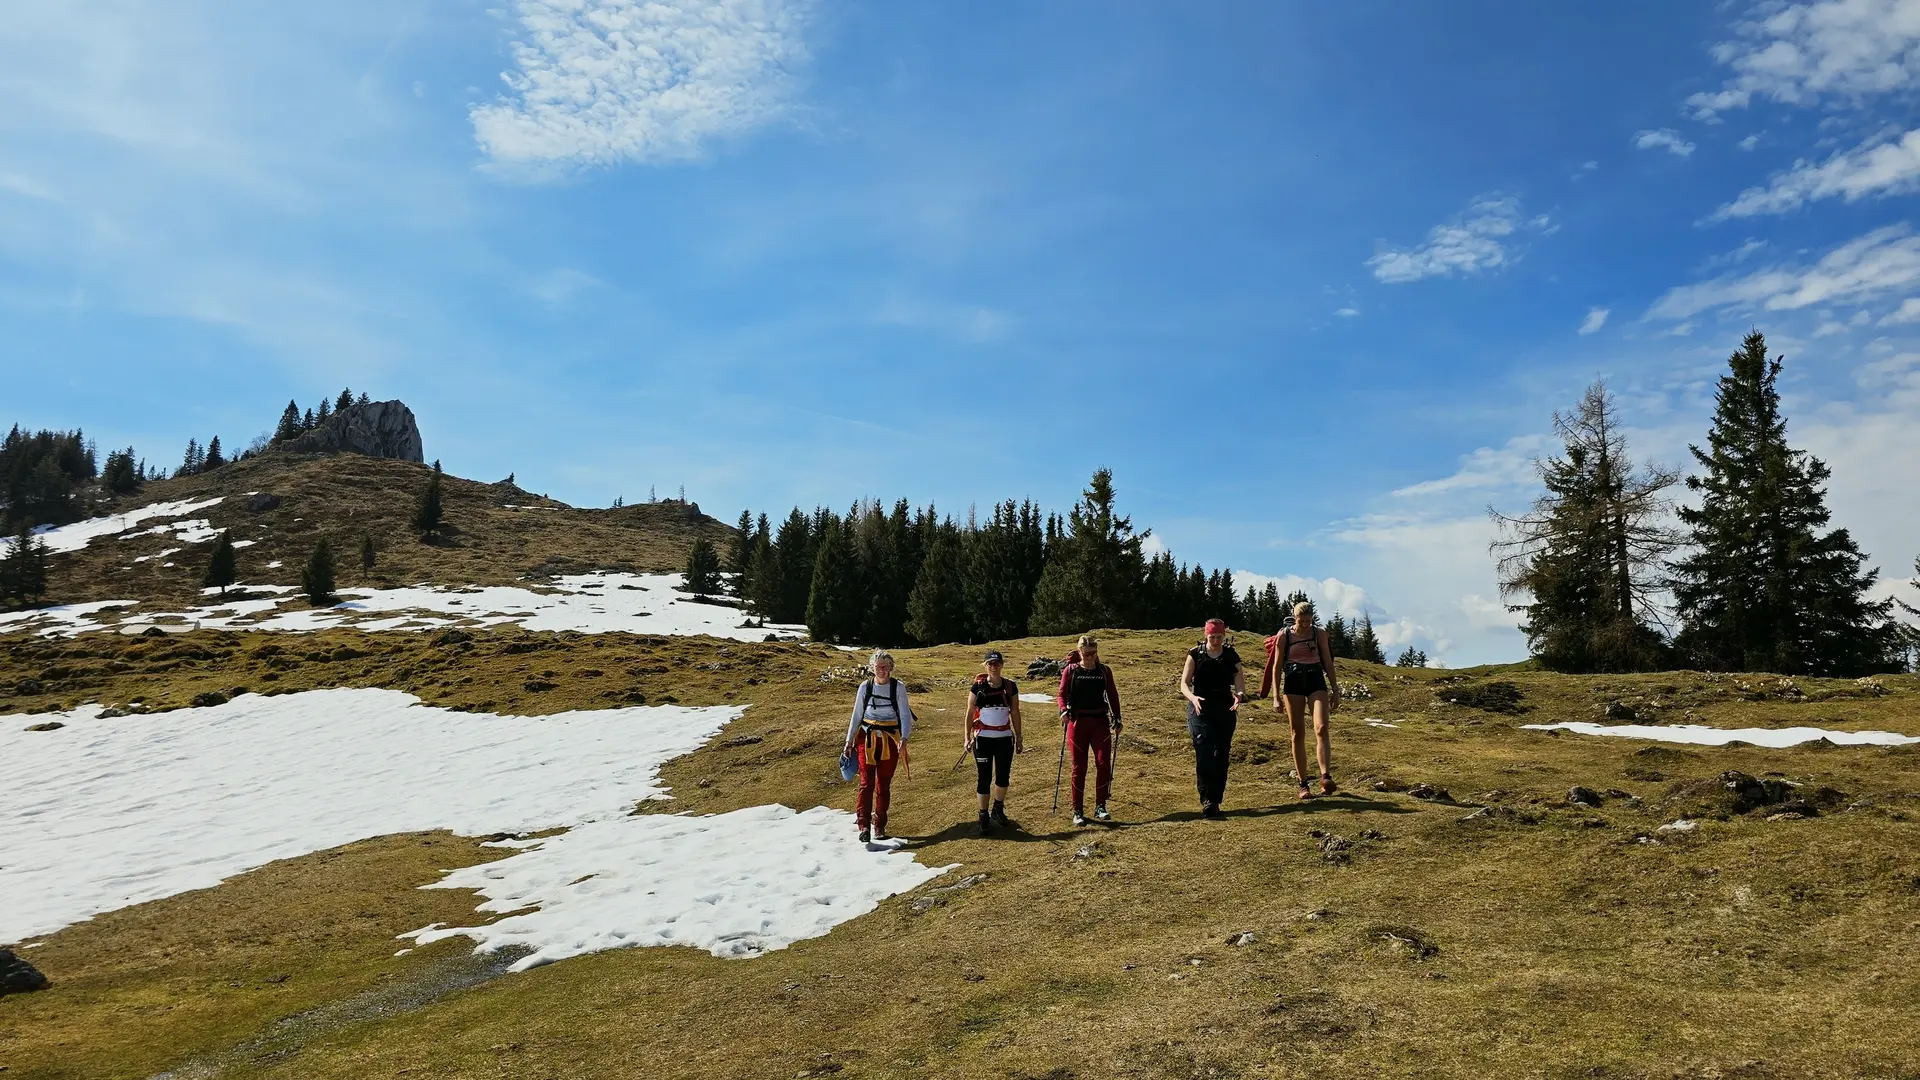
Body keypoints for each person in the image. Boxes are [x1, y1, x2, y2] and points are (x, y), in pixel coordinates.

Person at [843, 649, 915, 843]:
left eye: (885, 667)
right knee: (866, 784)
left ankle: (879, 826)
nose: (881, 671)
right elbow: (856, 715)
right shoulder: (864, 687)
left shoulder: (897, 687)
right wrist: (848, 742)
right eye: (878, 667)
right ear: (872, 668)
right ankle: (864, 826)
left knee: (883, 785)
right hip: (866, 741)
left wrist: (904, 739)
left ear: (890, 668)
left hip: (890, 742)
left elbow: (905, 715)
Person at [1271, 601, 1339, 799]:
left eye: (1309, 621)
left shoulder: (1320, 634)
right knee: (1297, 732)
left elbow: (1327, 661)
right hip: (1293, 682)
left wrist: (1335, 689)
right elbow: (1276, 667)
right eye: (1302, 621)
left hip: (1316, 679)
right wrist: (1276, 697)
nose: (1305, 625)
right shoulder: (1284, 636)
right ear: (1295, 618)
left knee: (1322, 727)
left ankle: (1325, 776)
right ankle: (1303, 784)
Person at [1179, 618, 1245, 819]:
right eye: (1212, 637)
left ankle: (1216, 799)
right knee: (1203, 749)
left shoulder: (1231, 656)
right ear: (1205, 635)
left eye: (1219, 637)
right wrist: (1192, 697)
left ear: (1224, 636)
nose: (1216, 640)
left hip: (1225, 708)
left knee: (1221, 754)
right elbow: (1184, 683)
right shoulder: (1194, 655)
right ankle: (1206, 799)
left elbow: (1240, 683)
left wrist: (1239, 696)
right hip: (1200, 708)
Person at [1056, 634, 1123, 826]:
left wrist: (1117, 718)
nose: (1089, 657)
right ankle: (1077, 810)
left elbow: (1112, 695)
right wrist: (1062, 711)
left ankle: (1100, 806)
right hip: (1077, 723)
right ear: (1079, 652)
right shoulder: (1071, 670)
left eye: (1092, 653)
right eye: (1085, 654)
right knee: (1079, 767)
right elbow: (1061, 694)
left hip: (1100, 722)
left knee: (1103, 763)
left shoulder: (1104, 671)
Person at [962, 649, 1024, 835]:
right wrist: (966, 737)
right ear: (985, 666)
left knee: (1003, 776)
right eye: (990, 663)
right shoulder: (978, 688)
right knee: (984, 778)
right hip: (983, 740)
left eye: (996, 663)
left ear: (1002, 665)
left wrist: (1019, 737)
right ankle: (983, 815)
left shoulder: (1010, 687)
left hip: (1004, 738)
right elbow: (970, 713)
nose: (993, 667)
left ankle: (997, 809)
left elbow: (1015, 712)